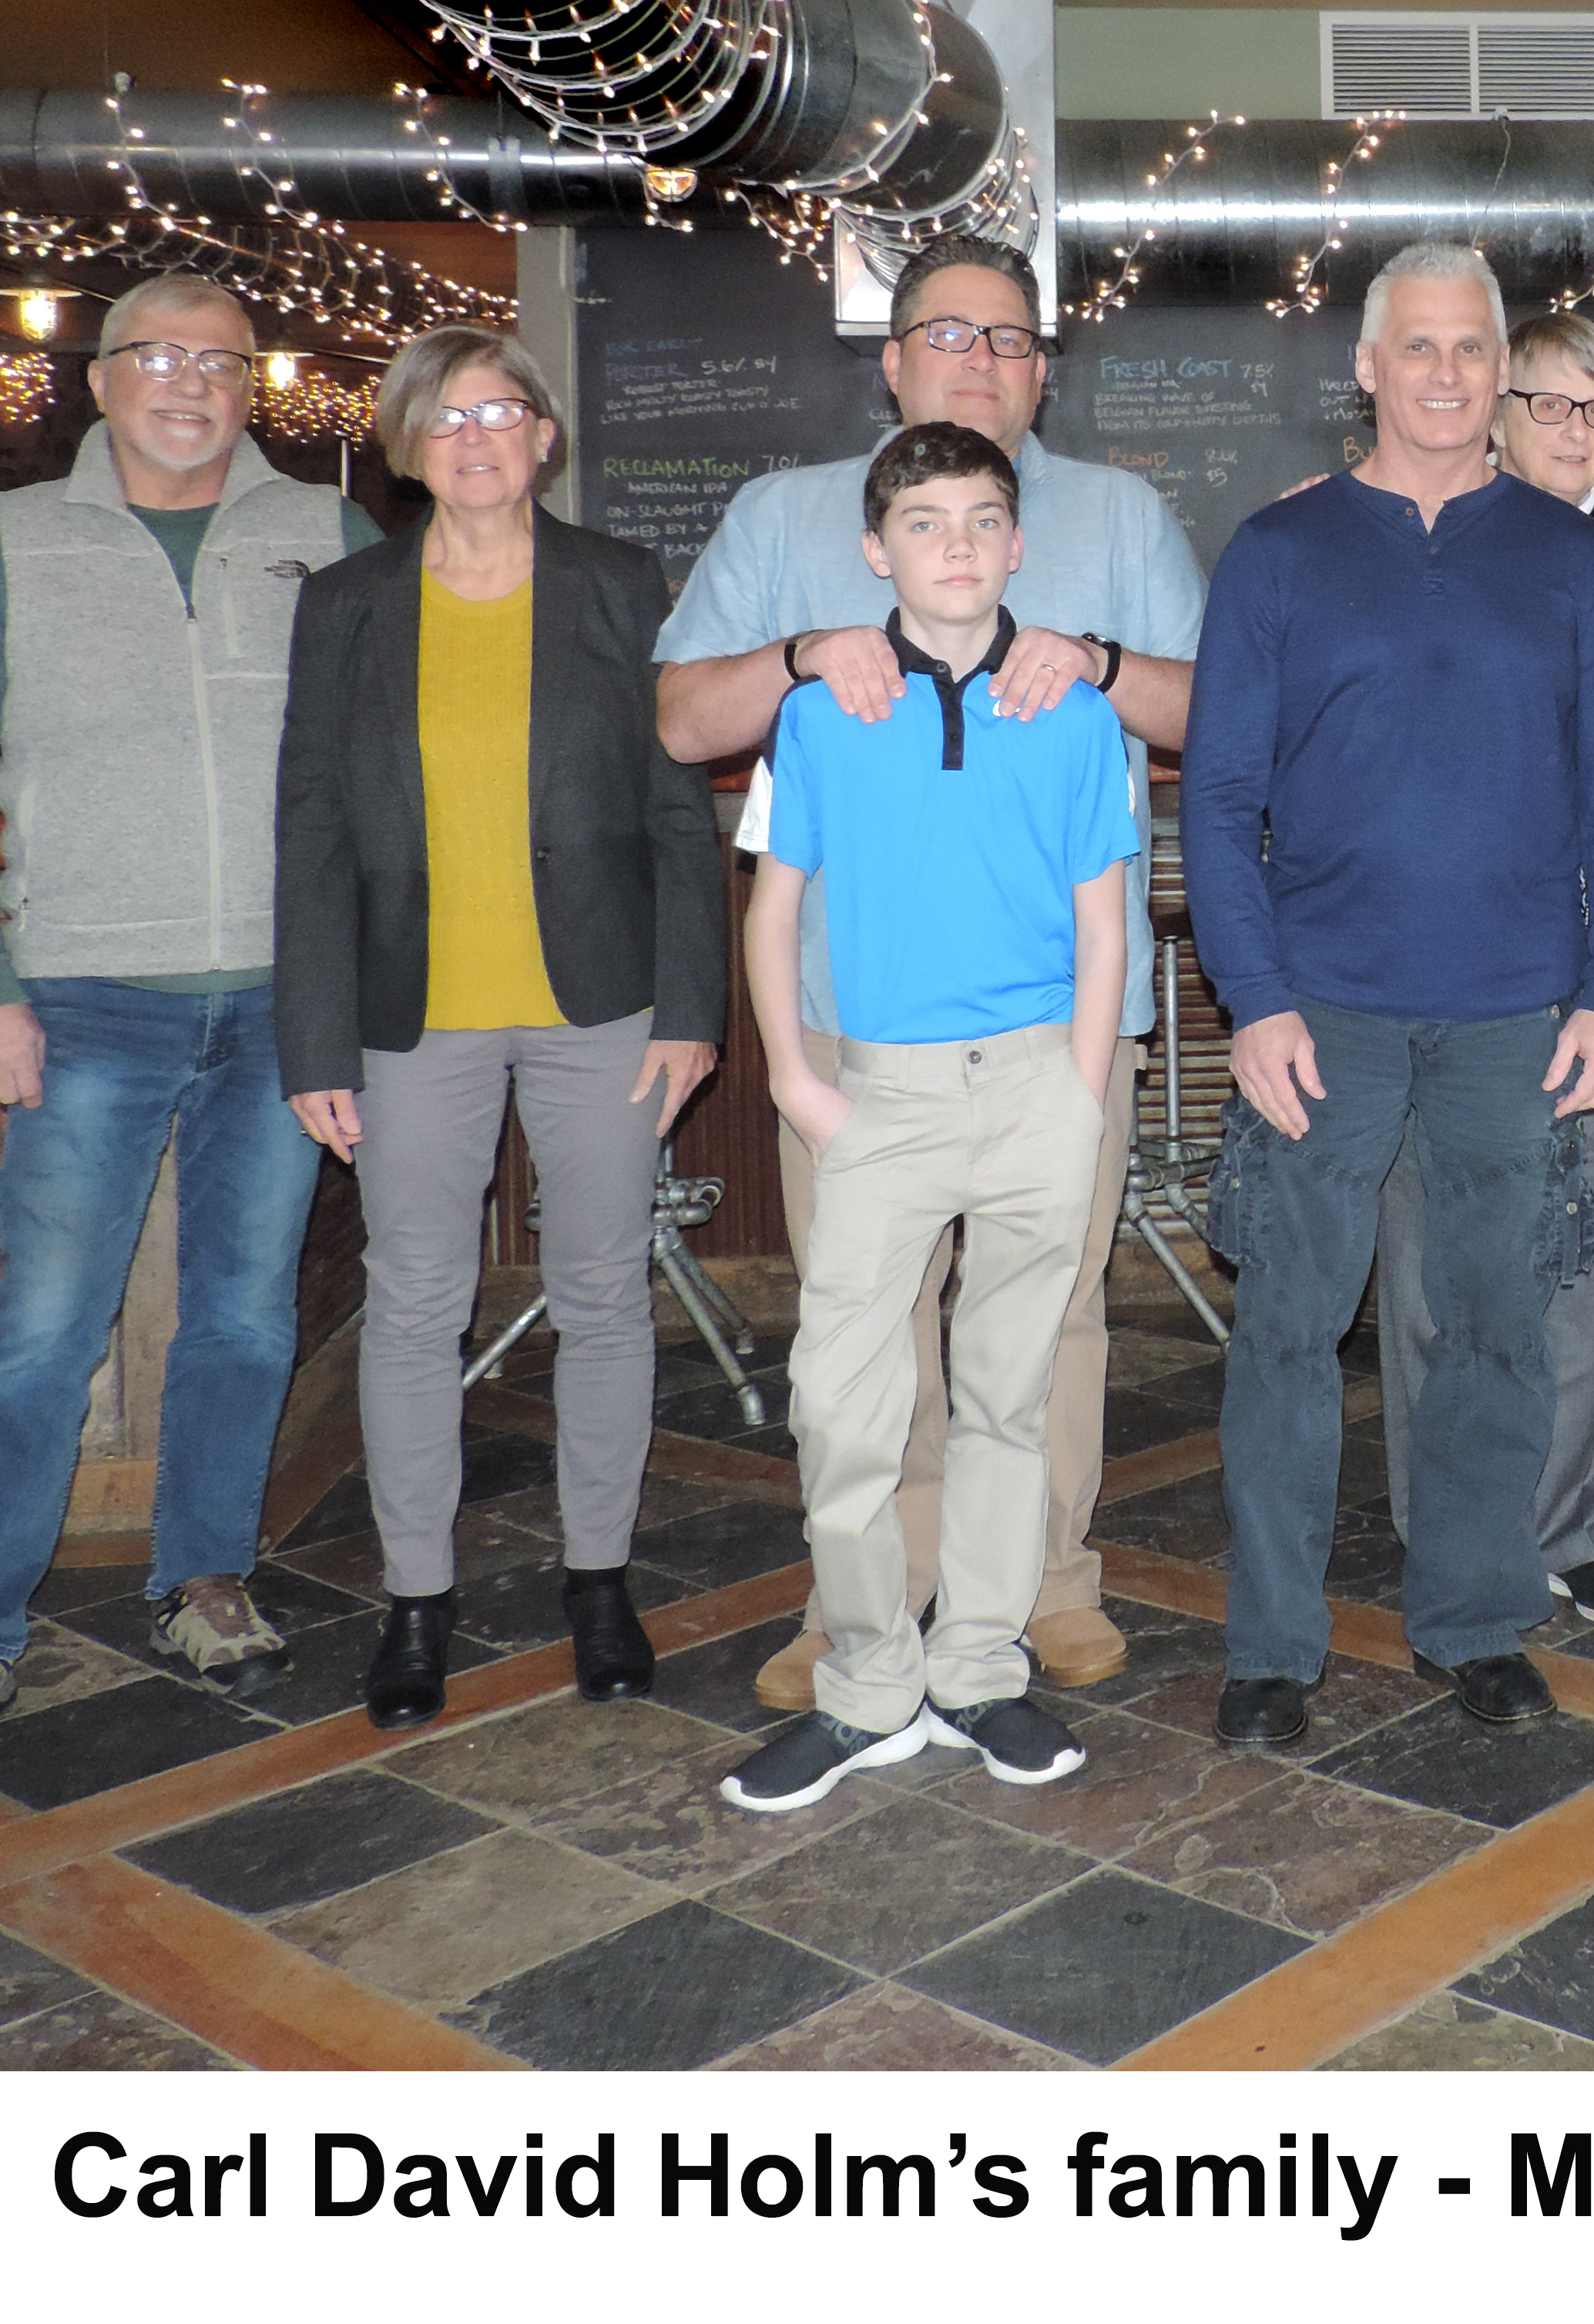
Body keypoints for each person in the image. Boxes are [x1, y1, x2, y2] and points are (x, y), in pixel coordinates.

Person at [656, 236, 1203, 1708]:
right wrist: (799, 658)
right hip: (857, 1030)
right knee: (867, 1326)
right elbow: (679, 721)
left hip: (1059, 1028)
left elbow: (1213, 714)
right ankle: (873, 1608)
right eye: (949, 333)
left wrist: (1091, 661)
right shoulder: (784, 519)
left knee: (1055, 1316)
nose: (982, 358)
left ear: (1044, 370)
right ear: (888, 360)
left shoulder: (1122, 516)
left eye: (1014, 339)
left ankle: (1043, 1587)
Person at [0, 271, 381, 1769]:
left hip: (282, 1001)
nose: (190, 382)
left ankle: (206, 1574)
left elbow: (387, 773)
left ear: (253, 386)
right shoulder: (8, 547)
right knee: (43, 1326)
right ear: (99, 382)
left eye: (221, 361)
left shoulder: (328, 536)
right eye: (158, 355)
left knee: (243, 1310)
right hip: (84, 997)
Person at [1183, 245, 1594, 1750]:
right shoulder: (1278, 548)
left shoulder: (1571, 557)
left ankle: (1473, 1614)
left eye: (1475, 351)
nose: (1449, 375)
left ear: (1498, 373)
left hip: (1518, 1016)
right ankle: (1272, 1642)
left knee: (1499, 1331)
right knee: (1289, 1335)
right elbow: (1218, 797)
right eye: (1423, 349)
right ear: (1370, 369)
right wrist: (1251, 997)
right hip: (1322, 1016)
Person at [274, 328, 727, 1733]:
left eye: (502, 411)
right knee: (415, 1301)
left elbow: (676, 810)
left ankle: (599, 1577)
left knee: (601, 1295)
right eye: (446, 417)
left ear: (542, 436)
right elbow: (311, 823)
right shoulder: (347, 603)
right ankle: (420, 1599)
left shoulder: (617, 586)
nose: (475, 438)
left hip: (603, 1007)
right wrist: (315, 1040)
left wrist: (694, 1009)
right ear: (409, 448)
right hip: (410, 1014)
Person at [722, 421, 1135, 1808]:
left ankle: (977, 1670)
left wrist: (1080, 1089)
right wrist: (791, 1074)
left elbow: (1101, 919)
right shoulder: (825, 709)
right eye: (923, 523)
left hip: (1033, 1088)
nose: (954, 547)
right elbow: (775, 908)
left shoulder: (1072, 708)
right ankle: (868, 1687)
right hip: (881, 1090)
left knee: (1009, 1399)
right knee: (845, 1404)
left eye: (980, 522)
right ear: (874, 548)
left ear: (1018, 545)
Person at [1371, 308, 1594, 1628]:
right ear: (1492, 409)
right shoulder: (1413, 549)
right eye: (1547, 402)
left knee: (1586, 1254)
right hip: (1452, 960)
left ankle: (1570, 1519)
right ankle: (1452, 1519)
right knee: (1437, 1254)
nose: (1574, 431)